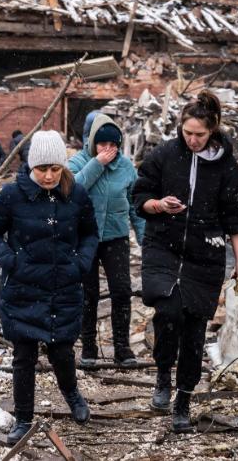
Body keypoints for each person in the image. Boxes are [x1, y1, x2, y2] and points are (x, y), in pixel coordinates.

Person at [132, 91, 238, 433]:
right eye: (188, 133)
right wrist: (157, 205)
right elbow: (139, 195)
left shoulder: (227, 167)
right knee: (168, 313)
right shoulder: (166, 156)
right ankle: (162, 377)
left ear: (212, 130)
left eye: (200, 134)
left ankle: (183, 400)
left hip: (205, 252)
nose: (194, 140)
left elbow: (236, 218)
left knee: (195, 327)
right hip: (163, 246)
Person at [0, 131, 100, 444]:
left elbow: (90, 234)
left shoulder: (77, 194)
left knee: (62, 351)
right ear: (31, 166)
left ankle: (72, 395)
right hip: (23, 288)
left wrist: (81, 263)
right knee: (24, 357)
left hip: (65, 288)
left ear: (62, 167)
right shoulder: (11, 195)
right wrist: (11, 260)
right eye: (42, 169)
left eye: (55, 169)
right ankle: (23, 418)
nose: (48, 176)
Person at [66, 112, 145, 368]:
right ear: (92, 143)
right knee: (87, 294)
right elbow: (72, 190)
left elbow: (136, 205)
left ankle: (123, 349)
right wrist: (97, 163)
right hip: (85, 238)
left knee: (121, 291)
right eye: (103, 144)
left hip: (116, 236)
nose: (108, 150)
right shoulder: (78, 162)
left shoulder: (126, 167)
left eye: (113, 145)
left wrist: (144, 239)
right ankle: (88, 348)